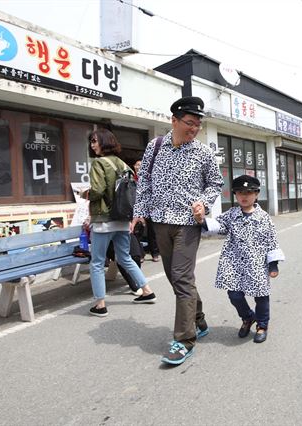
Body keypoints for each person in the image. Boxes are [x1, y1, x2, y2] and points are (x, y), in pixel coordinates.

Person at [132, 96, 223, 366]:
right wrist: (139, 211)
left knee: (182, 278)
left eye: (198, 124)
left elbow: (215, 183)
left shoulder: (203, 152)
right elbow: (144, 180)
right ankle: (199, 319)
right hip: (160, 221)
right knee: (175, 278)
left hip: (187, 224)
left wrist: (203, 204)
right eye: (189, 123)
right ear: (174, 120)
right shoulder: (155, 146)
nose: (194, 129)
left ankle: (184, 340)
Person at [194, 175, 285, 344]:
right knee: (234, 295)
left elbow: (271, 240)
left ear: (256, 194)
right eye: (240, 192)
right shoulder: (231, 214)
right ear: (235, 195)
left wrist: (273, 264)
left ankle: (262, 325)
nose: (244, 196)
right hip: (234, 262)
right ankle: (248, 317)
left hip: (257, 263)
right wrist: (201, 220)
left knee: (261, 295)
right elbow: (218, 227)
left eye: (249, 192)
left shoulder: (263, 217)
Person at [83, 129, 156, 317]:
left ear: (104, 142)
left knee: (97, 262)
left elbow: (98, 190)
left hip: (104, 220)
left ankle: (100, 304)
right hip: (122, 219)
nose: (92, 144)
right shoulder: (124, 164)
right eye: (91, 141)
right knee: (125, 258)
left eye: (95, 141)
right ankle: (146, 291)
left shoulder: (99, 163)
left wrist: (86, 194)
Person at [133, 159, 161, 262]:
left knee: (152, 233)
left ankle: (155, 253)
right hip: (137, 209)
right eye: (136, 165)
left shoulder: (149, 179)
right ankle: (140, 254)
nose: (138, 167)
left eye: (140, 165)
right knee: (137, 233)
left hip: (150, 209)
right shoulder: (132, 180)